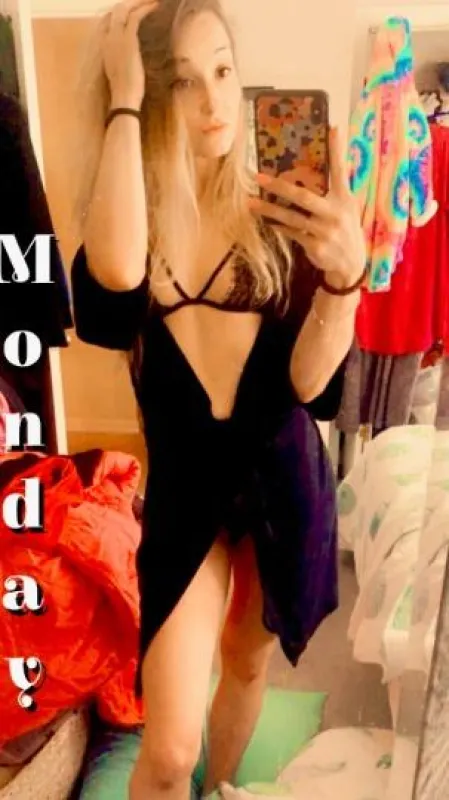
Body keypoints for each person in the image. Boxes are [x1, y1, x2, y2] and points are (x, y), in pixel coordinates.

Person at [69, 0, 366, 797]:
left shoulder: (281, 204)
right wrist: (125, 99)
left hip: (280, 476)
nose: (212, 103)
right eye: (182, 82)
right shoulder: (130, 206)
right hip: (187, 487)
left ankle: (223, 786)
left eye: (224, 72)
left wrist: (344, 280)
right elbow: (111, 289)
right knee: (167, 752)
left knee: (244, 660)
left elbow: (312, 387)